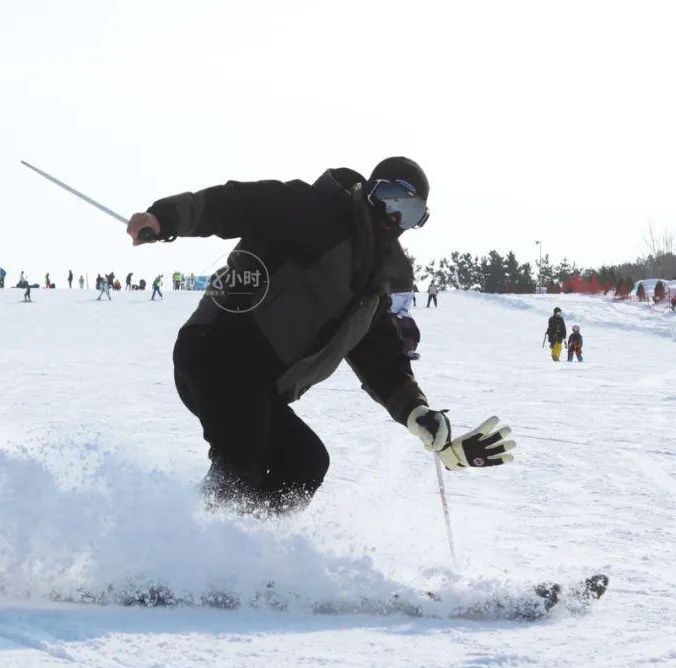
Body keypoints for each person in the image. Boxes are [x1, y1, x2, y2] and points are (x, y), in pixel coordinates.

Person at [125, 156, 514, 514]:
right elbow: (238, 204)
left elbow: (383, 363)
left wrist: (418, 414)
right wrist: (166, 218)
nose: (393, 218)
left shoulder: (371, 289)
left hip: (259, 384)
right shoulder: (317, 210)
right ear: (370, 191)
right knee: (242, 459)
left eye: (409, 212)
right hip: (218, 349)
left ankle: (248, 556)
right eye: (389, 199)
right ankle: (182, 552)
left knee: (304, 462)